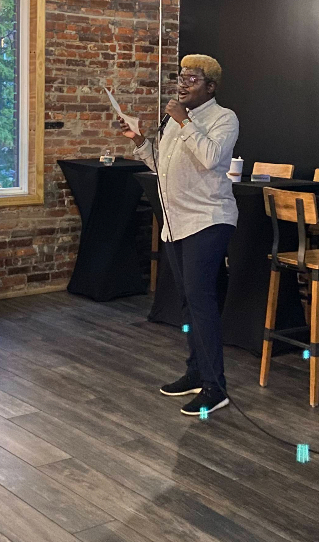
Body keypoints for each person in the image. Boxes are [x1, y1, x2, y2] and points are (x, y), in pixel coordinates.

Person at [118, 54, 240, 417]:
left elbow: (211, 158)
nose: (183, 83)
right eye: (181, 76)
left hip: (208, 219)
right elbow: (163, 165)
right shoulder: (175, 121)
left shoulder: (223, 118)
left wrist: (184, 121)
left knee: (201, 300)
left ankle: (215, 387)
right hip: (176, 223)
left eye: (193, 78)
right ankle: (195, 371)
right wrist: (141, 141)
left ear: (211, 86)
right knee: (188, 301)